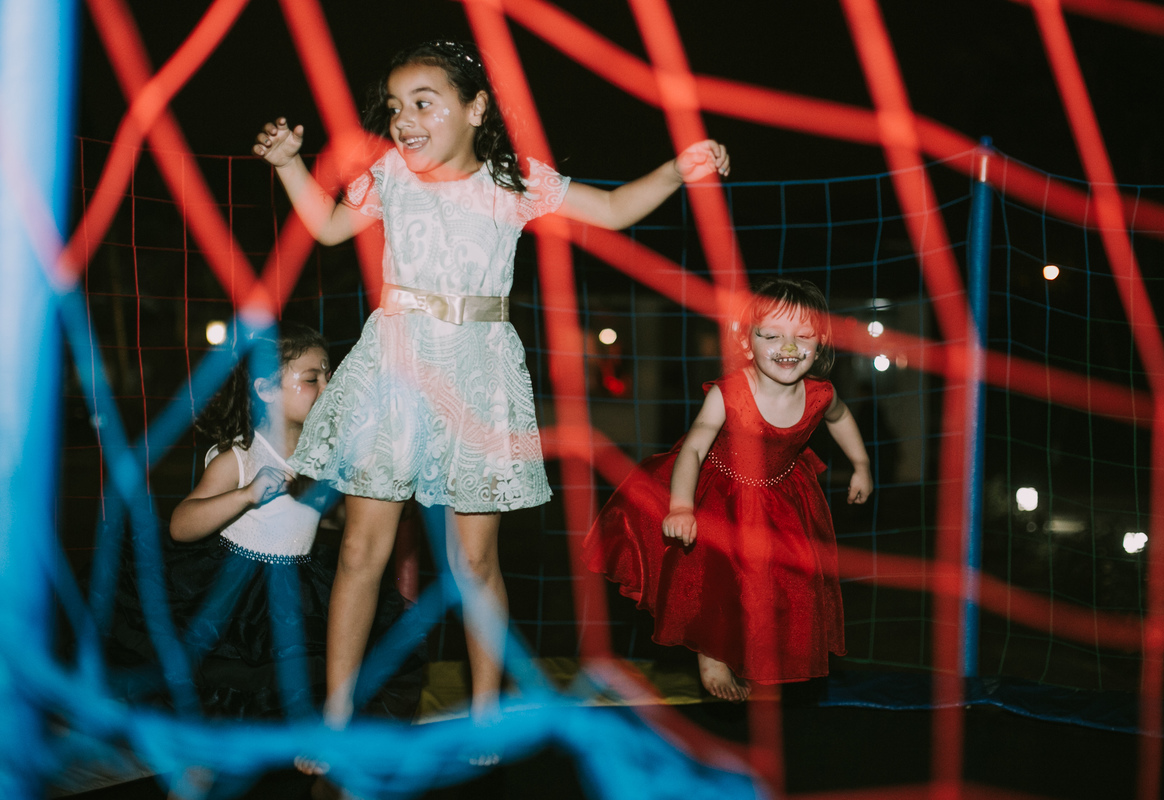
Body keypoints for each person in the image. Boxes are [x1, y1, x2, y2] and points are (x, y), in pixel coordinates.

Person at [252, 39, 728, 728]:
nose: (404, 119)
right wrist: (290, 165)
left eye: (424, 103)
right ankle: (334, 716)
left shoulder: (512, 182)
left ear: (476, 109)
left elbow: (614, 209)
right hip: (394, 369)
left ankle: (484, 710)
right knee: (359, 550)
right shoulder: (390, 175)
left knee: (473, 562)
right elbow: (326, 228)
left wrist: (676, 170)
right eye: (395, 107)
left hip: (477, 378)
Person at [102, 321, 422, 720]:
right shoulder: (239, 458)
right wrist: (246, 495)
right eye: (312, 379)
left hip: (297, 587)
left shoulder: (322, 458)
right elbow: (181, 525)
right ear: (266, 389)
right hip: (236, 591)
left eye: (329, 376)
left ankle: (312, 741)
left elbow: (318, 520)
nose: (328, 388)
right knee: (231, 685)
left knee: (301, 678)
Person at [583, 278, 872, 701]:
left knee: (782, 581)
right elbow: (694, 447)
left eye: (803, 336)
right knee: (715, 578)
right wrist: (682, 506)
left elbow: (840, 417)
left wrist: (861, 465)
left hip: (780, 496)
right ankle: (712, 656)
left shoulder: (820, 395)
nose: (788, 347)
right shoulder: (731, 393)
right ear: (746, 341)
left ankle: (763, 653)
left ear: (821, 341)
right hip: (720, 491)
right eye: (771, 335)